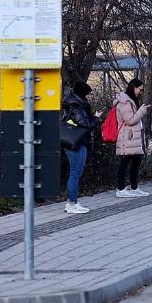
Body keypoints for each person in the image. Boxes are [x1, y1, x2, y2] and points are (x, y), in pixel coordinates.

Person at [62, 81, 102, 213]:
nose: (89, 97)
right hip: (78, 143)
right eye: (88, 94)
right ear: (83, 94)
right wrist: (96, 118)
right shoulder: (77, 107)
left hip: (73, 142)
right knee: (75, 173)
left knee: (75, 173)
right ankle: (72, 203)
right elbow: (85, 124)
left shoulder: (71, 104)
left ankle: (72, 201)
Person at [114, 79, 151, 198]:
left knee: (136, 161)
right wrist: (141, 111)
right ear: (133, 87)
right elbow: (130, 120)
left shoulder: (131, 101)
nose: (141, 92)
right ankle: (120, 189)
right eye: (140, 89)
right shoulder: (124, 102)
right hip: (127, 137)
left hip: (133, 137)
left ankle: (134, 187)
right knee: (125, 163)